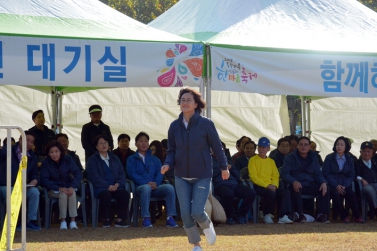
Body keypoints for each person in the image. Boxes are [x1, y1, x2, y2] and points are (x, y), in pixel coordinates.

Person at [161, 87, 229, 251]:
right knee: (185, 214)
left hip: (202, 175)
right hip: (181, 176)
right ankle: (196, 245)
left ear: (196, 103)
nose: (185, 103)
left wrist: (224, 167)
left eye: (188, 100)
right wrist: (167, 164)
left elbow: (217, 147)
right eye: (182, 100)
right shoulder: (174, 126)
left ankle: (207, 226)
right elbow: (171, 150)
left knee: (197, 211)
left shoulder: (206, 124)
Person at [127, 132, 178, 228]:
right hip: (140, 188)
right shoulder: (131, 159)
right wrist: (146, 183)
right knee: (146, 188)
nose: (144, 143)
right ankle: (145, 218)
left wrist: (156, 183)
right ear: (136, 144)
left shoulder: (155, 159)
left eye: (146, 141)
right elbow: (132, 174)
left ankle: (170, 217)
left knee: (169, 187)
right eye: (141, 141)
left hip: (155, 187)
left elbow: (160, 172)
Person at [281, 136, 330, 223]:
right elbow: (285, 173)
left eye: (305, 145)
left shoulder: (314, 157)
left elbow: (318, 173)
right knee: (296, 188)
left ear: (309, 146)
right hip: (296, 184)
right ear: (297, 146)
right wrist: (293, 181)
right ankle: (300, 214)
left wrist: (323, 182)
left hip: (310, 184)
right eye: (301, 145)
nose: (303, 147)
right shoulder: (290, 157)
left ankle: (321, 214)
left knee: (325, 188)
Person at [86, 135, 130, 228]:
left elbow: (122, 174)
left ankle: (120, 219)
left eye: (105, 143)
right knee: (105, 195)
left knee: (125, 194)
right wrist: (107, 186)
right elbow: (93, 176)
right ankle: (105, 219)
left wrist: (118, 184)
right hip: (101, 187)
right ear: (96, 147)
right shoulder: (92, 160)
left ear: (109, 145)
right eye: (101, 143)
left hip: (115, 186)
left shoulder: (115, 158)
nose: (103, 145)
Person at [0, 131, 41, 231]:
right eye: (27, 140)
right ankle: (15, 223)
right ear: (20, 139)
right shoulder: (8, 150)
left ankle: (31, 221)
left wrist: (34, 181)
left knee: (35, 192)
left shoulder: (33, 157)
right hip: (7, 184)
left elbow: (35, 173)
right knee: (12, 193)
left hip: (24, 186)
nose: (29, 143)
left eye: (32, 142)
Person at [248, 137, 293, 224]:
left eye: (264, 147)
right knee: (270, 193)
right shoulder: (252, 160)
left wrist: (274, 185)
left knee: (285, 192)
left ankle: (282, 216)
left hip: (271, 185)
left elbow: (275, 175)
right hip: (258, 186)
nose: (261, 149)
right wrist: (267, 186)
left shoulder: (271, 161)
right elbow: (254, 177)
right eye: (260, 147)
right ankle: (267, 214)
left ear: (268, 148)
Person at [40, 140, 82, 230]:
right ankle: (63, 221)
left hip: (67, 186)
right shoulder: (45, 162)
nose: (54, 154)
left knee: (72, 193)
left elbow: (78, 173)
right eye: (51, 152)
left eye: (56, 151)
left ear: (61, 152)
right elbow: (44, 179)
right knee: (63, 194)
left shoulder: (67, 159)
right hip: (52, 189)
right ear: (48, 153)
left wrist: (72, 186)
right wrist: (58, 188)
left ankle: (73, 221)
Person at [322, 136, 364, 223]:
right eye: (337, 144)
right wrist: (336, 185)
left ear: (346, 147)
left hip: (344, 184)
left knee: (351, 194)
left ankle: (357, 216)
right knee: (336, 194)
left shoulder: (349, 159)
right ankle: (344, 216)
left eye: (342, 145)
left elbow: (351, 174)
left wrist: (344, 185)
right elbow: (326, 173)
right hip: (332, 184)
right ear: (335, 146)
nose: (339, 147)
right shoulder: (329, 157)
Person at [212, 150, 256, 225]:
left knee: (251, 193)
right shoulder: (209, 160)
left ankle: (239, 215)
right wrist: (221, 169)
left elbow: (238, 176)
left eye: (221, 150)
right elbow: (210, 174)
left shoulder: (227, 160)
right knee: (228, 194)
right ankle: (230, 216)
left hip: (234, 184)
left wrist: (231, 168)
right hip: (220, 184)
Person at [355, 141, 377, 216]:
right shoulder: (357, 163)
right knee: (370, 189)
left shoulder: (375, 162)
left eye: (369, 151)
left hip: (375, 183)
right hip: (365, 185)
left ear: (373, 152)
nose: (366, 154)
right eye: (364, 151)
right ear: (360, 152)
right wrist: (361, 179)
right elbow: (353, 174)